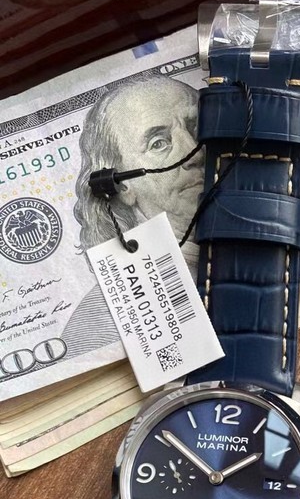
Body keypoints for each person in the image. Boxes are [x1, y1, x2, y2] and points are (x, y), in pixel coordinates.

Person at [64, 76, 204, 355]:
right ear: (122, 185)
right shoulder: (96, 327)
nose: (194, 153)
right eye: (158, 143)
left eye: (199, 128)